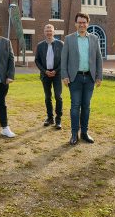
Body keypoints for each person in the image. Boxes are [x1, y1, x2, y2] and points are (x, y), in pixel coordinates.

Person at [61, 13, 103, 145]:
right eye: (79, 22)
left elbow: (99, 59)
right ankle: (74, 134)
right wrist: (65, 76)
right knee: (75, 106)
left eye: (84, 22)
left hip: (89, 78)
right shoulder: (69, 39)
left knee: (86, 106)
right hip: (75, 78)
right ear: (75, 24)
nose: (82, 25)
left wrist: (99, 76)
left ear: (88, 24)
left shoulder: (94, 39)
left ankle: (84, 133)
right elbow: (64, 59)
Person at [34, 24, 64, 129]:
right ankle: (50, 118)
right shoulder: (40, 45)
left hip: (57, 74)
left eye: (50, 30)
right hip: (45, 74)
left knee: (58, 96)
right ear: (44, 32)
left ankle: (58, 120)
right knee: (47, 97)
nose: (49, 32)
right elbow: (36, 60)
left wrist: (56, 71)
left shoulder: (61, 44)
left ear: (53, 32)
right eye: (47, 31)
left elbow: (64, 60)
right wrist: (45, 71)